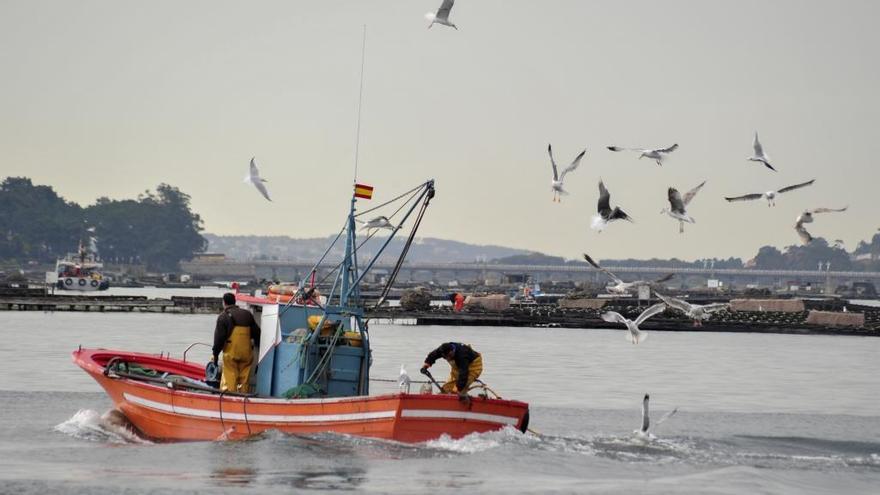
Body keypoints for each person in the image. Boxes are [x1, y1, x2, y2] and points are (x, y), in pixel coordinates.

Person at [212, 293, 261, 393]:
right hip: (246, 353)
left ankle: (230, 399)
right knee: (244, 379)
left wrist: (215, 355)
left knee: (230, 377)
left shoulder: (223, 317)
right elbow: (257, 333)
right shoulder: (247, 314)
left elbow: (219, 339)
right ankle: (243, 397)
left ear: (224, 302)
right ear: (235, 301)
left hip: (231, 354)